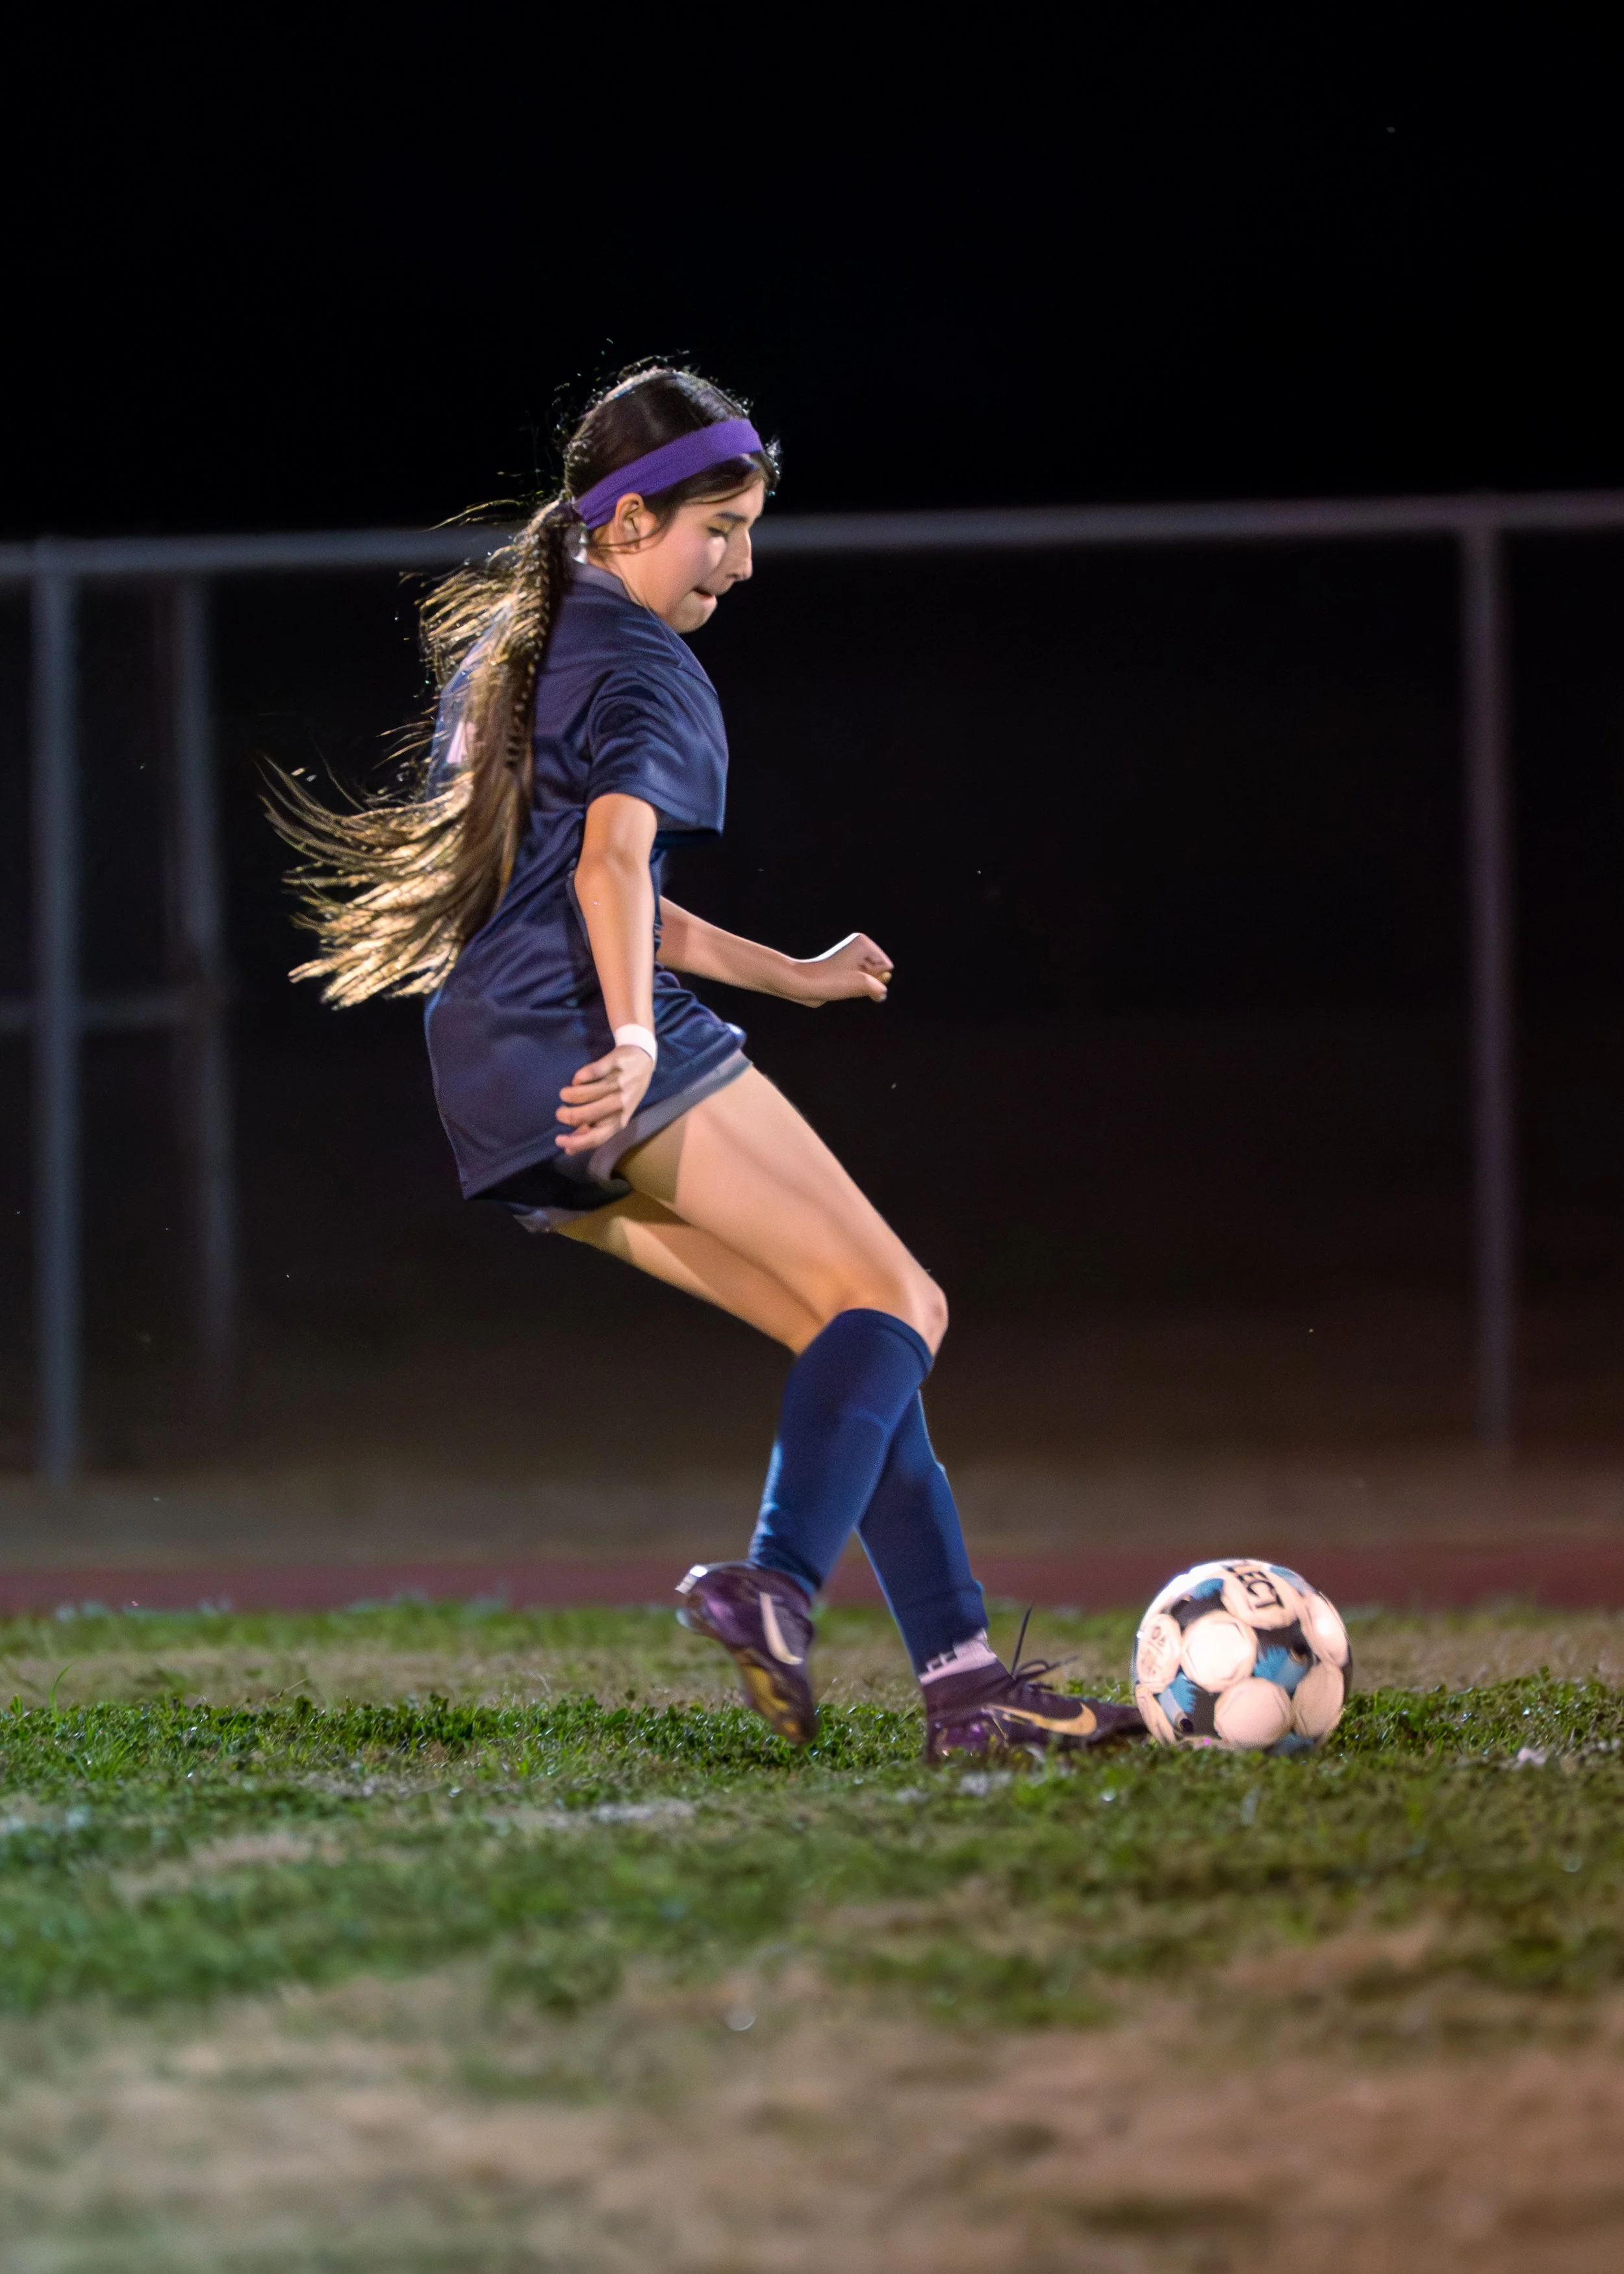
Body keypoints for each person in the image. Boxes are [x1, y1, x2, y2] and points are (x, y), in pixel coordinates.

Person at [270, 363, 1141, 1761]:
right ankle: (775, 1587)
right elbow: (613, 865)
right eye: (717, 529)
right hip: (588, 1037)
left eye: (749, 530)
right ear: (622, 523)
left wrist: (787, 974)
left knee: (845, 1336)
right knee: (900, 1303)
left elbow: (587, 881)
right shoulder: (645, 661)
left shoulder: (511, 648)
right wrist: (628, 1035)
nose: (742, 564)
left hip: (492, 1070)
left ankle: (965, 1684)